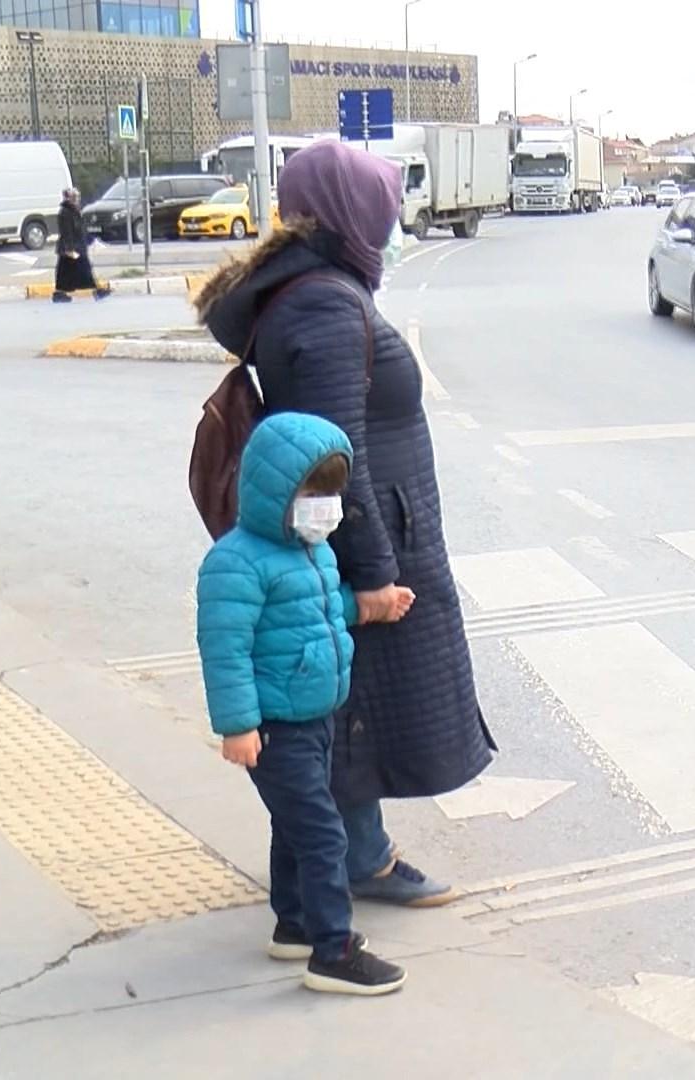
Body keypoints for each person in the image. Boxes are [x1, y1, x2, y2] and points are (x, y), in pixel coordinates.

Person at [196, 139, 495, 910]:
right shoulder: (324, 304)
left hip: (370, 532)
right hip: (362, 541)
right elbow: (337, 453)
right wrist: (373, 573)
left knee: (343, 696)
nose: (391, 227)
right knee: (342, 701)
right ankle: (354, 861)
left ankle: (338, 860)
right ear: (346, 214)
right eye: (382, 212)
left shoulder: (318, 290)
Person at [199, 412, 416, 995]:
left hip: (317, 716)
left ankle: (294, 923)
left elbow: (314, 613)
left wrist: (367, 606)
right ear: (274, 493)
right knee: (323, 835)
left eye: (331, 495)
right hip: (274, 727)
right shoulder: (236, 562)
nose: (326, 508)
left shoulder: (313, 551)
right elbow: (224, 647)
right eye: (312, 495)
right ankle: (333, 951)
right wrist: (239, 726)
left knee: (295, 826)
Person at [53, 188, 110, 302]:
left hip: (77, 246)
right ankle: (97, 291)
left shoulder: (75, 211)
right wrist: (70, 249)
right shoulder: (65, 212)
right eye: (74, 197)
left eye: (77, 197)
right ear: (68, 198)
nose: (77, 199)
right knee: (84, 269)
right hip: (73, 248)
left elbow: (81, 229)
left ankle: (59, 293)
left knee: (65, 272)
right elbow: (67, 232)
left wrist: (90, 240)